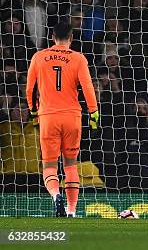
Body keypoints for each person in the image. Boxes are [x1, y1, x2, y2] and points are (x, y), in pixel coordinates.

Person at [25, 23, 99, 217]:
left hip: (48, 117)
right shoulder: (78, 58)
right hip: (72, 117)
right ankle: (72, 210)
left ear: (52, 36)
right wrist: (94, 113)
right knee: (71, 165)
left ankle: (56, 195)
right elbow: (88, 88)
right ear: (71, 37)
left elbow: (30, 90)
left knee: (49, 165)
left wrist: (33, 112)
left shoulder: (39, 57)